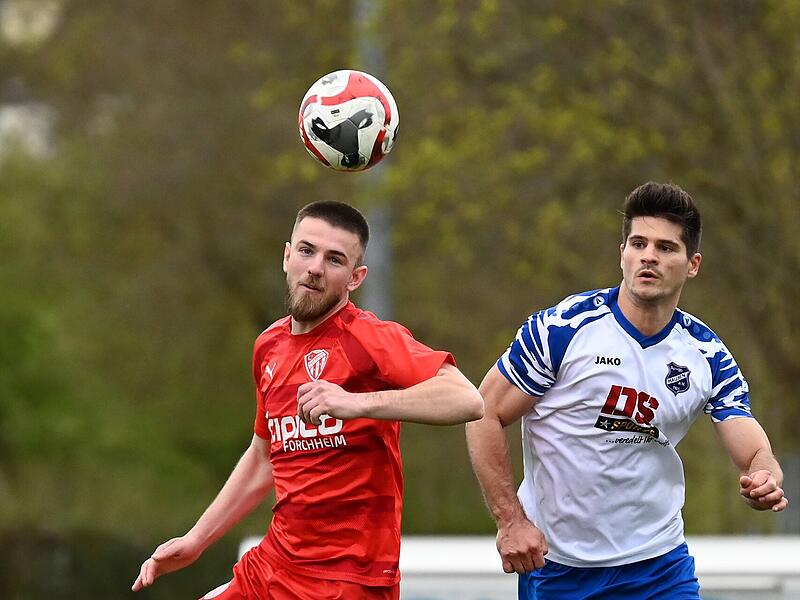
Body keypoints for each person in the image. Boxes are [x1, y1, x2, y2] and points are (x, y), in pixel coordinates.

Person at [132, 200, 484, 599]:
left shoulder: (368, 338)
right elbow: (264, 456)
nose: (316, 268)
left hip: (349, 580)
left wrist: (357, 404)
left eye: (334, 259)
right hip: (274, 565)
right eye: (306, 251)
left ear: (355, 277)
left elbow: (466, 399)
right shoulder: (269, 346)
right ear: (287, 256)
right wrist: (197, 539)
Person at [465, 182, 788, 599]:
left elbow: (754, 450)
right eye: (638, 243)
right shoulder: (562, 330)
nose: (649, 256)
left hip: (660, 568)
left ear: (692, 264)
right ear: (623, 255)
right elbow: (483, 412)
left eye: (667, 248)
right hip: (561, 568)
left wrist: (766, 478)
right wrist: (510, 521)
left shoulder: (706, 353)